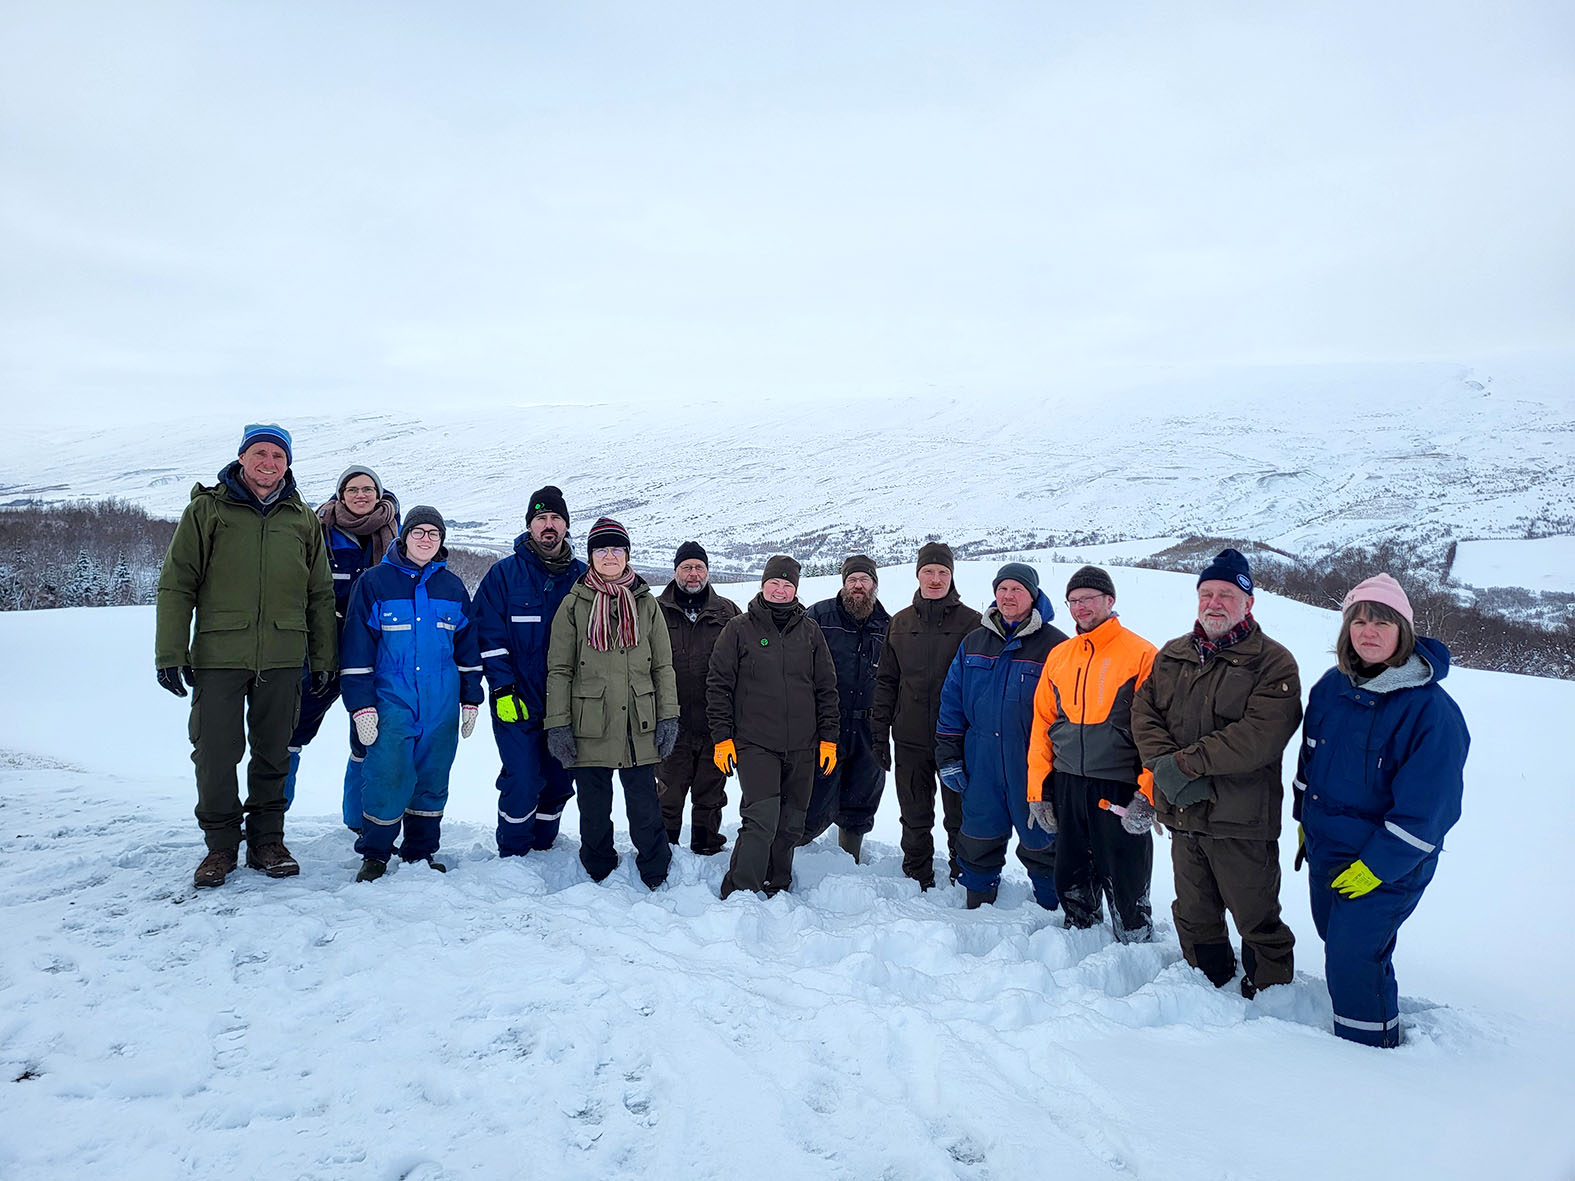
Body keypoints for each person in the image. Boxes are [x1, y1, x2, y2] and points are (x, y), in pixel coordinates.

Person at [155, 423, 336, 887]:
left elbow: (319, 594)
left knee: (274, 752)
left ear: (288, 464)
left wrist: (323, 659)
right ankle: (220, 845)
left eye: (278, 456)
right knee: (215, 753)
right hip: (220, 653)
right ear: (242, 458)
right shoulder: (207, 510)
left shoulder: (302, 518)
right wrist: (171, 651)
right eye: (260, 453)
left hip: (283, 653)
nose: (269, 463)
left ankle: (267, 842)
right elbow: (177, 583)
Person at [1293, 574, 1469, 1046]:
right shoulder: (1330, 689)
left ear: (1403, 630)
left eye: (1382, 622)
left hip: (1388, 861)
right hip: (1328, 848)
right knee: (1335, 939)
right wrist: (1304, 822)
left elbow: (1429, 810)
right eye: (1359, 621)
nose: (1368, 632)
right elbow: (1310, 761)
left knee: (1353, 954)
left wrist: (1378, 866)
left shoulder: (1430, 711)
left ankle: (1368, 1057)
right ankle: (1365, 1032)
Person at [1131, 548, 1302, 997]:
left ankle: (1272, 999)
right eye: (1206, 593)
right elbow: (1143, 713)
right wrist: (1164, 766)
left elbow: (1261, 735)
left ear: (1248, 602)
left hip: (1241, 820)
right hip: (1183, 814)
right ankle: (1207, 986)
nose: (1214, 603)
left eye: (1226, 594)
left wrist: (1183, 766)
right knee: (1194, 913)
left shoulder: (1273, 662)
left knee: (1256, 916)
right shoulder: (1172, 655)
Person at [340, 508, 484, 880]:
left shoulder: (452, 587)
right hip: (392, 699)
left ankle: (420, 852)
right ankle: (375, 854)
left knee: (432, 777)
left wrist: (471, 699)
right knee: (389, 774)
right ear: (404, 537)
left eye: (434, 533)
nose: (425, 539)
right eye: (418, 531)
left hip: (441, 703)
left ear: (441, 541)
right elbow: (356, 647)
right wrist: (361, 706)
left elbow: (468, 649)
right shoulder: (375, 582)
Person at [544, 518, 681, 889]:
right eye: (601, 549)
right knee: (593, 805)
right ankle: (598, 865)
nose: (609, 556)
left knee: (644, 803)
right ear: (591, 556)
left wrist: (668, 716)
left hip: (639, 720)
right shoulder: (574, 604)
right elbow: (559, 669)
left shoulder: (646, 603)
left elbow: (663, 666)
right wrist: (558, 724)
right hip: (590, 720)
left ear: (627, 554)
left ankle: (655, 865)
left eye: (616, 548)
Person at [1026, 566, 1158, 941]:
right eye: (1073, 600)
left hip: (1119, 785)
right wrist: (1038, 790)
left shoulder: (1141, 654)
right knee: (1070, 870)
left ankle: (1135, 941)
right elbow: (1042, 725)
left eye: (1089, 598)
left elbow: (1158, 732)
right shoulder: (1060, 656)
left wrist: (1148, 794)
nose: (1080, 607)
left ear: (1109, 600)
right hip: (1068, 781)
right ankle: (1079, 934)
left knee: (1125, 872)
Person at [934, 563, 1068, 909]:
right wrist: (948, 755)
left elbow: (1068, 713)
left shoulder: (1056, 646)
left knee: (1044, 840)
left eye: (1017, 589)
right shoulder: (974, 642)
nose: (1008, 596)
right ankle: (978, 905)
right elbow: (952, 701)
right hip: (982, 762)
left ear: (1033, 596)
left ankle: (1053, 910)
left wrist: (1061, 769)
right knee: (978, 837)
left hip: (1033, 765)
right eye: (1003, 589)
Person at [707, 555, 839, 899]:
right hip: (755, 743)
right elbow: (719, 686)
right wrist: (722, 738)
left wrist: (829, 739)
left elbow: (826, 688)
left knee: (792, 821)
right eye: (774, 583)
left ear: (795, 589)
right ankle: (741, 889)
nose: (780, 591)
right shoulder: (739, 629)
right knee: (762, 818)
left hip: (803, 745)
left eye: (787, 585)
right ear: (763, 585)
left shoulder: (810, 632)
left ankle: (777, 883)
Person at [474, 485, 587, 857]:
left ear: (566, 526)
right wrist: (502, 688)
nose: (548, 525)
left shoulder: (583, 578)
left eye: (555, 518)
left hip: (566, 704)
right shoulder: (504, 575)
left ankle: (544, 845)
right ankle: (513, 851)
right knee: (522, 777)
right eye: (541, 518)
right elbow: (488, 636)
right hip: (517, 699)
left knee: (559, 780)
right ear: (529, 525)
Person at [285, 464, 401, 827]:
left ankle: (360, 819)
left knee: (367, 735)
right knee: (292, 727)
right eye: (353, 489)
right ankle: (269, 817)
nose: (361, 495)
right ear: (340, 495)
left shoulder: (396, 536)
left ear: (379, 495)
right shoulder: (319, 529)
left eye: (368, 489)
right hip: (322, 646)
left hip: (373, 649)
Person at [871, 542, 981, 888]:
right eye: (928, 571)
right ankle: (916, 873)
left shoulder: (972, 623)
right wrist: (879, 734)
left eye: (942, 572)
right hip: (910, 737)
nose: (935, 579)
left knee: (960, 815)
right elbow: (886, 681)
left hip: (957, 741)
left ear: (952, 576)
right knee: (914, 813)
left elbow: (980, 686)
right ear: (918, 575)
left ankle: (964, 873)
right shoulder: (900, 622)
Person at [801, 555, 891, 862]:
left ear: (874, 585)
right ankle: (798, 855)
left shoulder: (888, 625)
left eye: (864, 580)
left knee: (862, 795)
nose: (858, 586)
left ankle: (849, 857)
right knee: (816, 793)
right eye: (852, 580)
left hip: (869, 727)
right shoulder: (819, 616)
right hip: (827, 724)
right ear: (843, 584)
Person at [655, 541, 740, 855]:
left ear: (707, 571)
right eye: (687, 567)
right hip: (670, 724)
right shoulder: (655, 610)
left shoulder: (728, 612)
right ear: (675, 571)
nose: (693, 574)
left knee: (711, 794)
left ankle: (707, 849)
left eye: (699, 567)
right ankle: (664, 851)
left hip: (714, 724)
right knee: (668, 794)